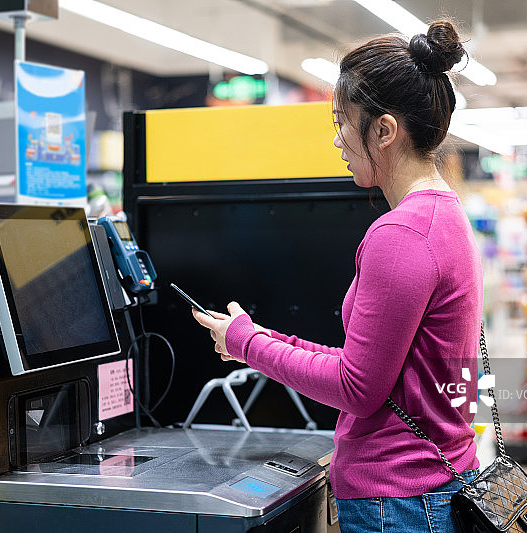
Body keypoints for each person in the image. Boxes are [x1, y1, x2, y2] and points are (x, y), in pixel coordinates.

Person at [193, 19, 482, 533]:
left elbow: (357, 388)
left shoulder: (402, 234)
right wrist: (251, 338)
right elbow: (373, 368)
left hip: (399, 504)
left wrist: (251, 347)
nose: (337, 140)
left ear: (384, 130)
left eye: (342, 121)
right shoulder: (445, 215)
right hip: (431, 490)